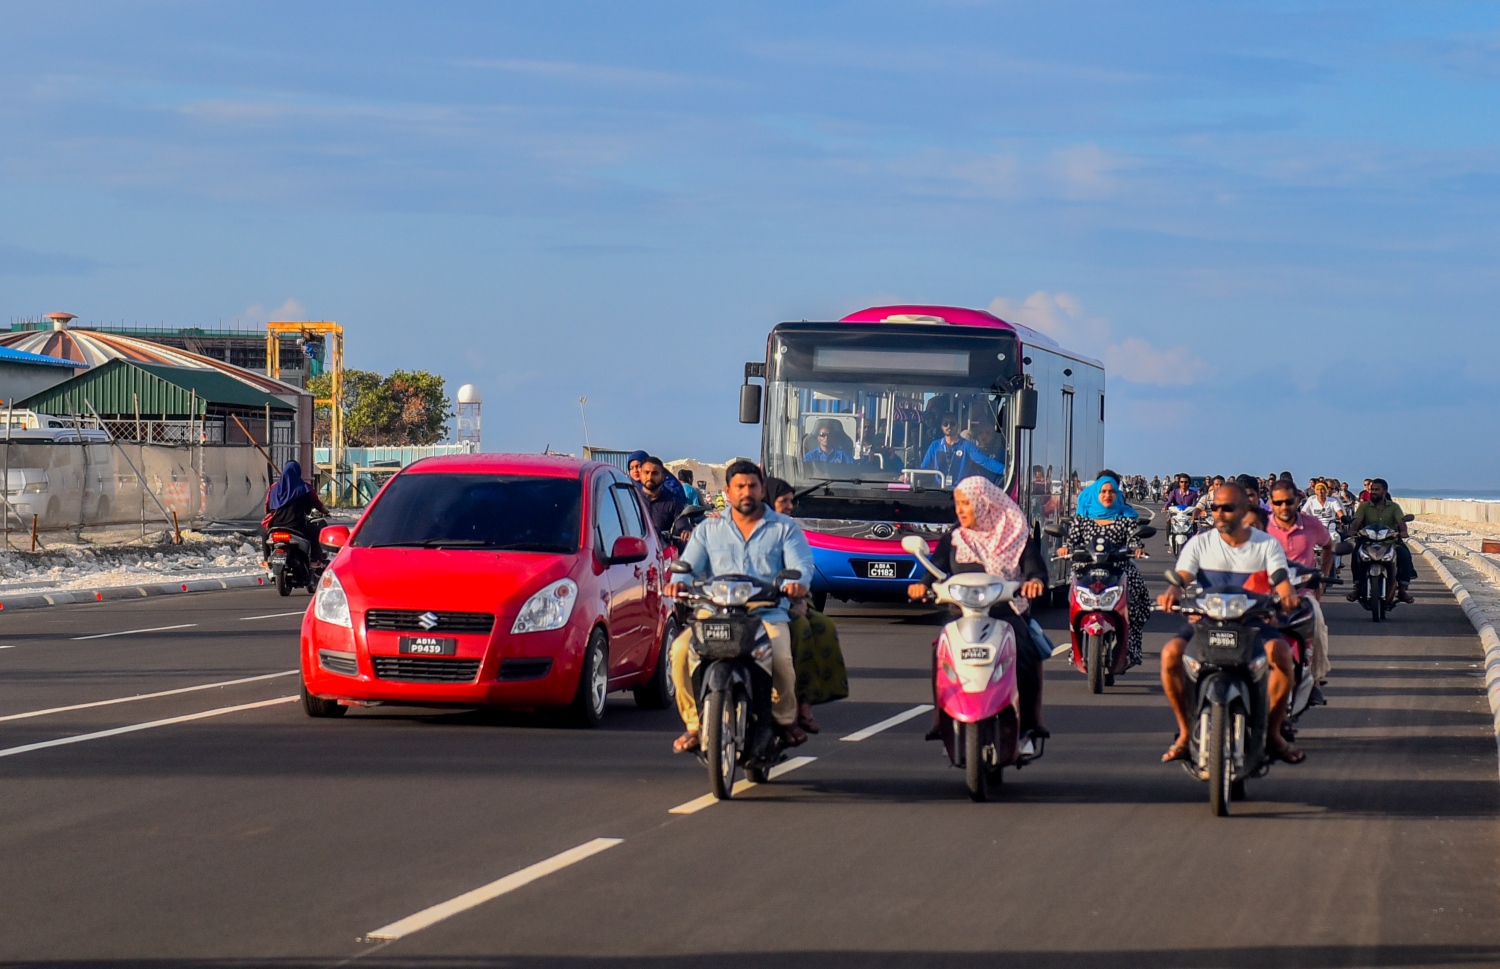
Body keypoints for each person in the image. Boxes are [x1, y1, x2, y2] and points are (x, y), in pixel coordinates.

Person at [666, 460, 814, 753]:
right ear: (728, 491)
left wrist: (797, 583)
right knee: (679, 652)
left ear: (762, 490)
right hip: (714, 613)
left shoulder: (784, 528)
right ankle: (696, 726)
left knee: (782, 658)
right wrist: (679, 581)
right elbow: (687, 566)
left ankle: (784, 722)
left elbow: (802, 565)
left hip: (765, 614)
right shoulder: (709, 529)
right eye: (740, 487)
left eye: (753, 486)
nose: (747, 492)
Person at [1156, 481, 1305, 765]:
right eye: (1215, 508)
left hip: (1253, 623)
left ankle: (1273, 734)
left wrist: (1287, 595)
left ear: (1244, 509)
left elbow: (1280, 578)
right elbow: (1182, 577)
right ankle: (1185, 733)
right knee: (1171, 655)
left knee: (1283, 655)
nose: (1220, 514)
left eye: (1227, 508)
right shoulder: (1199, 542)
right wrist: (1171, 594)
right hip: (1207, 622)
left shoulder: (1266, 544)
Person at [907, 476, 1050, 741]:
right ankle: (940, 715)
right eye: (958, 504)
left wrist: (1034, 582)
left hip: (1006, 613)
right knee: (942, 652)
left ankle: (1030, 718)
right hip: (962, 614)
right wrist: (921, 585)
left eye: (966, 504)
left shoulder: (1015, 534)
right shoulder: (955, 537)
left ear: (983, 504)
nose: (960, 510)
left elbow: (1035, 568)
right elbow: (936, 568)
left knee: (1027, 652)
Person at [767, 477, 848, 734]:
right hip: (750, 600)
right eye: (784, 502)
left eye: (792, 501)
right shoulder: (736, 527)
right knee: (800, 630)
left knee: (821, 626)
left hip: (787, 598)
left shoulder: (790, 530)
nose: (790, 506)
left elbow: (801, 566)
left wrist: (798, 596)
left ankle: (804, 702)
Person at [1057, 474, 1151, 671]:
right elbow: (1072, 541)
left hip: (1118, 568)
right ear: (1096, 493)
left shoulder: (1126, 517)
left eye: (1111, 492)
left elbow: (1134, 541)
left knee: (1137, 591)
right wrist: (1065, 549)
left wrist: (1136, 548)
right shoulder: (1083, 517)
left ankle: (1130, 647)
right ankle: (1076, 647)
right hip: (1086, 568)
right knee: (1073, 597)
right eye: (1103, 491)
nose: (1107, 495)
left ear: (1117, 494)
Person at [1266, 479, 1334, 693]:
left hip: (1303, 592)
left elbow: (1329, 546)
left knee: (1317, 626)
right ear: (1271, 503)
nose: (1284, 507)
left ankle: (1314, 678)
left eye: (1289, 501)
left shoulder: (1312, 524)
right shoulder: (1260, 527)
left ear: (1297, 501)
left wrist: (1322, 575)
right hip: (1266, 594)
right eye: (1278, 503)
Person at [1348, 478, 1417, 604]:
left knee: (1404, 555)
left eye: (1376, 490)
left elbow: (1401, 522)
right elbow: (1356, 522)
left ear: (1384, 491)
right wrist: (1352, 530)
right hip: (1367, 542)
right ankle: (1357, 587)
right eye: (1372, 489)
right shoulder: (1364, 507)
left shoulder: (1394, 507)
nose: (1373, 492)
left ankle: (1402, 589)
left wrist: (1403, 532)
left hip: (1390, 542)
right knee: (1356, 554)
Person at [263, 460, 330, 564]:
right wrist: (324, 511)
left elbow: (267, 507)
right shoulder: (304, 488)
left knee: (265, 534)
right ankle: (314, 559)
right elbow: (313, 505)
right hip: (297, 526)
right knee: (315, 532)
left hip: (276, 525)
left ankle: (266, 559)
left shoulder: (274, 488)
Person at [920, 412, 1003, 486]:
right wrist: (909, 477)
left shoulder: (966, 445)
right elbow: (923, 468)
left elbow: (986, 461)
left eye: (952, 423)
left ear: (958, 425)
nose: (949, 426)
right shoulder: (935, 445)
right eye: (945, 424)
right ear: (941, 427)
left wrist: (1005, 470)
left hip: (960, 492)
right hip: (939, 490)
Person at [637, 456, 684, 538]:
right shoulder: (631, 500)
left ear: (663, 476)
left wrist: (685, 532)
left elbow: (682, 526)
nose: (650, 477)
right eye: (646, 472)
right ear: (640, 474)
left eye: (655, 473)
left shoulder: (673, 503)